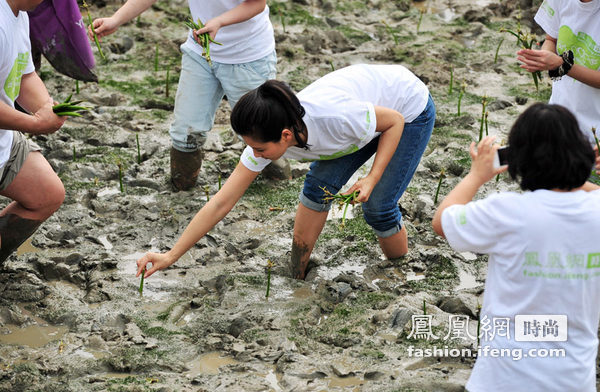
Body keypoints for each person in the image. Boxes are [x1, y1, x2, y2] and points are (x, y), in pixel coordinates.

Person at [136, 63, 435, 280]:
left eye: (260, 150)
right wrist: (171, 254)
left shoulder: (333, 118)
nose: (255, 155)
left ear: (285, 136)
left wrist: (372, 177)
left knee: (378, 206)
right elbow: (220, 202)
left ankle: (400, 270)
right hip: (365, 119)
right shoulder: (270, 134)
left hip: (408, 112)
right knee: (317, 187)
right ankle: (298, 272)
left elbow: (393, 121)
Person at [432, 103, 600, 391]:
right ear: (584, 153)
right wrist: (579, 176)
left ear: (519, 161)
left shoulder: (507, 211)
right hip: (573, 378)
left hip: (502, 376)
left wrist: (476, 176)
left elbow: (442, 221)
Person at [90, 0, 277, 191]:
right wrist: (116, 19)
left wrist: (219, 22)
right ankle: (181, 188)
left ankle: (276, 181)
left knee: (261, 131)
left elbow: (257, 4)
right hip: (199, 52)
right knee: (185, 132)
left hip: (248, 58)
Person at [0, 0, 66, 263]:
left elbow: (24, 74)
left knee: (47, 194)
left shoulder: (20, 14)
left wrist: (45, 107)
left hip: (4, 140)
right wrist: (35, 124)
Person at [517, 0, 600, 146]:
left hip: (595, 132)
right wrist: (544, 58)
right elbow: (551, 39)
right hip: (558, 118)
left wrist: (561, 65)